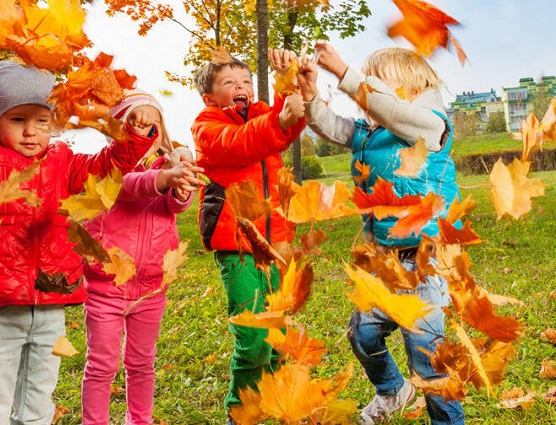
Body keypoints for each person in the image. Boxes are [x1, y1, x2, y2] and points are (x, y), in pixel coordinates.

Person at [0, 60, 157, 424]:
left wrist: (135, 135)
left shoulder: (63, 161)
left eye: (41, 120)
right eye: (17, 119)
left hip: (50, 307)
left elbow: (107, 169)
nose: (30, 131)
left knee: (38, 406)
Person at [296, 42, 465, 424]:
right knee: (363, 335)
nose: (367, 89)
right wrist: (310, 94)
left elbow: (392, 110)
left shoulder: (432, 124)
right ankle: (392, 390)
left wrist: (345, 72)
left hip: (424, 265)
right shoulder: (369, 133)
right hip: (384, 264)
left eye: (375, 80)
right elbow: (329, 125)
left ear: (411, 84)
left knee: (428, 363)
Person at [191, 49, 306, 424]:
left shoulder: (261, 115)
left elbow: (286, 126)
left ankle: (274, 402)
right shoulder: (206, 126)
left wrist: (288, 80)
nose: (241, 86)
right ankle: (240, 413)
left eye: (246, 81)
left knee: (277, 337)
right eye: (229, 82)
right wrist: (279, 119)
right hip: (238, 247)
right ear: (210, 98)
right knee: (254, 339)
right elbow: (239, 143)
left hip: (277, 244)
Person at [81, 89, 204, 425]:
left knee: (141, 363)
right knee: (101, 365)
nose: (145, 134)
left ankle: (140, 420)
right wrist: (164, 179)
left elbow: (175, 205)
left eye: (152, 127)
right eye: (134, 126)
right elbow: (130, 186)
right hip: (106, 287)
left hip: (151, 287)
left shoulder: (169, 165)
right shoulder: (107, 169)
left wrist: (180, 189)